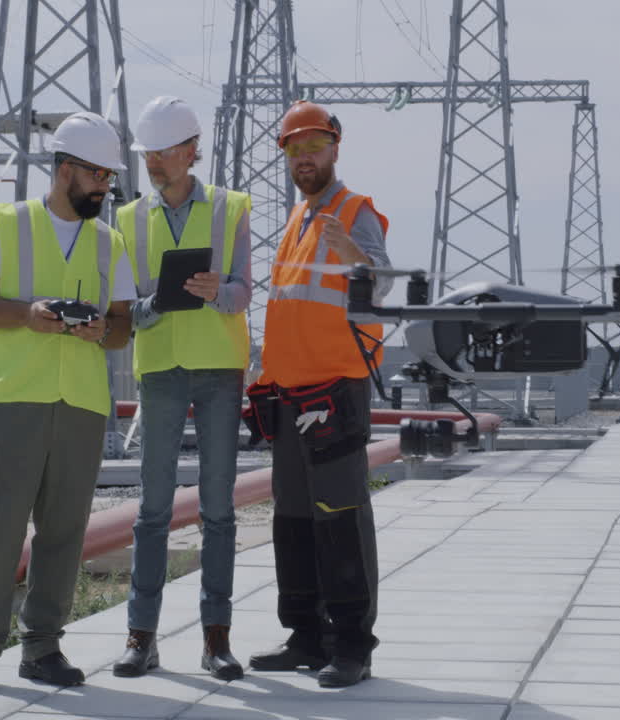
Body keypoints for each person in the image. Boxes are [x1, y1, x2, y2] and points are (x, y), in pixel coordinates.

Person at [0, 111, 135, 695]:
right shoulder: (8, 222)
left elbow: (122, 327)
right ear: (64, 170)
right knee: (1, 527)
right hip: (14, 398)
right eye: (97, 174)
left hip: (81, 404)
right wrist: (27, 315)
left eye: (109, 176)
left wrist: (100, 331)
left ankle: (42, 649)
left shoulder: (109, 242)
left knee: (63, 532)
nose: (105, 186)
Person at [245, 100, 391, 689]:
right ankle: (305, 636)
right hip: (290, 393)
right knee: (294, 519)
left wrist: (350, 250)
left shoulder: (354, 212)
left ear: (335, 148)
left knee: (341, 516)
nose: (304, 158)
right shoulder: (298, 218)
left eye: (314, 147)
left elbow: (382, 282)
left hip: (335, 389)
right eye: (295, 149)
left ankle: (352, 644)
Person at [110, 96, 253, 681]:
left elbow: (243, 293)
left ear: (191, 150)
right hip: (161, 367)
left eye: (163, 153)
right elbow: (124, 308)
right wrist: (158, 303)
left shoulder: (230, 207)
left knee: (218, 508)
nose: (153, 164)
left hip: (219, 369)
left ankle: (216, 639)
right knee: (152, 509)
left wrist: (216, 291)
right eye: (147, 154)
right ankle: (140, 638)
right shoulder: (126, 219)